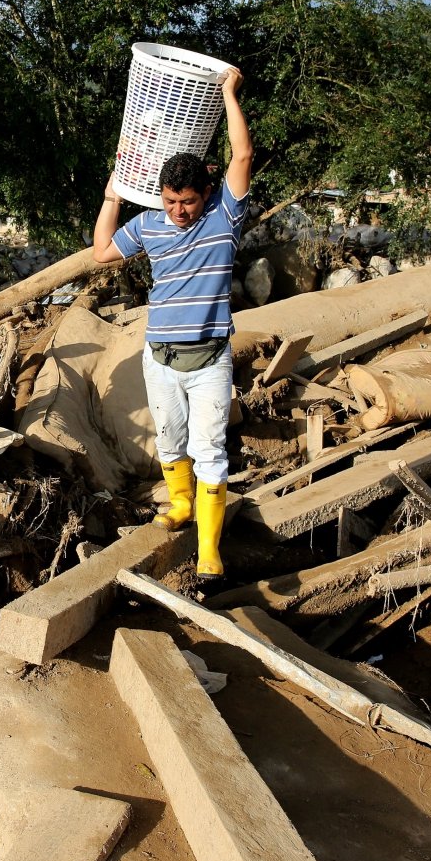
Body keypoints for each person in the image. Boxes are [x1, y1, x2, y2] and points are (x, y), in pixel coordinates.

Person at [91, 67, 251, 579]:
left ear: (206, 194)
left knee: (210, 450)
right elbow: (100, 253)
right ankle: (180, 505)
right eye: (170, 199)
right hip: (158, 357)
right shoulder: (147, 225)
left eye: (188, 201)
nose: (179, 211)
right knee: (169, 440)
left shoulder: (223, 217)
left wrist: (228, 93)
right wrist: (114, 197)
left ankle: (209, 549)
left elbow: (242, 156)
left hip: (209, 360)